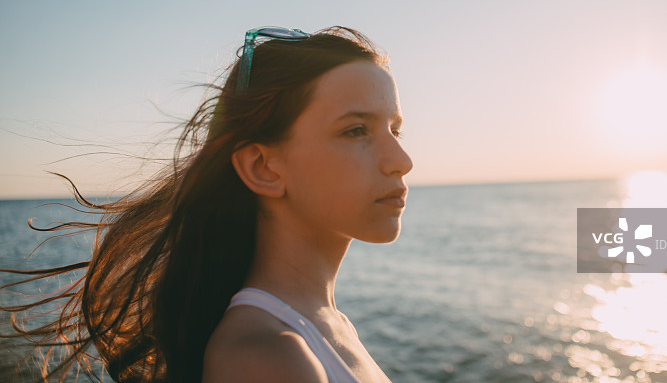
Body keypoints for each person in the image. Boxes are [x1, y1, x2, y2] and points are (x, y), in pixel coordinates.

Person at [0, 26, 413, 383]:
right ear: (262, 167)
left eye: (394, 129)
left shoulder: (324, 326)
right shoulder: (268, 357)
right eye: (356, 130)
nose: (402, 161)